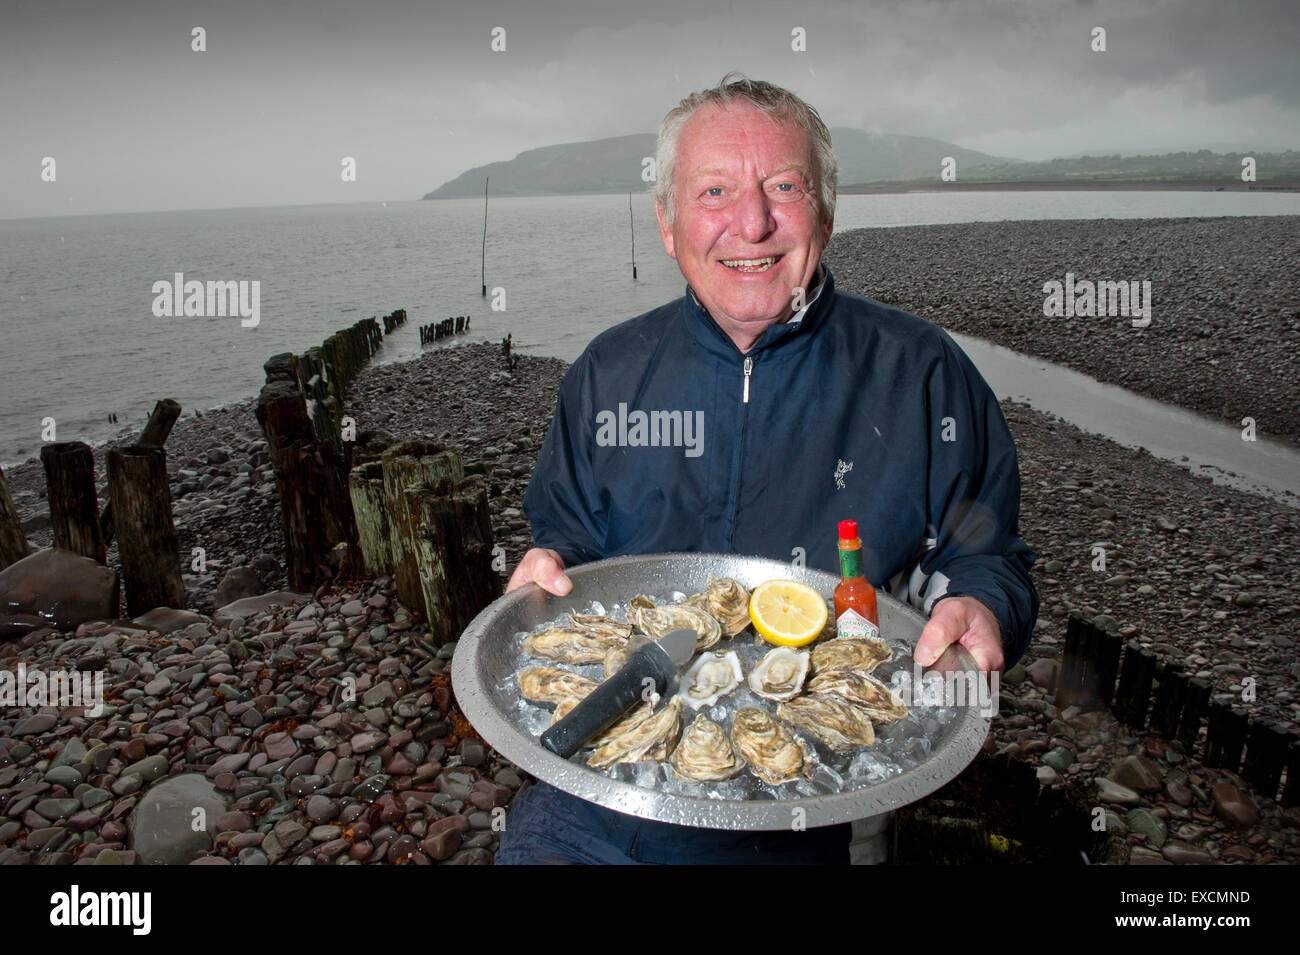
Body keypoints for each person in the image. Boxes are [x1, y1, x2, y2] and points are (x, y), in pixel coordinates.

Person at [495, 74, 1039, 865]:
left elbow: (985, 558)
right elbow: (570, 543)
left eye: (783, 186)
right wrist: (547, 574)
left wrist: (983, 607)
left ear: (825, 211)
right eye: (714, 190)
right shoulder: (607, 374)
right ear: (668, 222)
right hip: (597, 798)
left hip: (816, 811)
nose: (751, 222)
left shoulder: (921, 372)